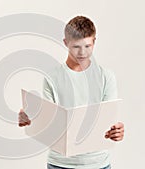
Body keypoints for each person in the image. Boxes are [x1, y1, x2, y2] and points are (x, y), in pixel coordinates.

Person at [18, 16, 124, 169]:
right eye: (76, 47)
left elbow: (108, 120)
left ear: (94, 41)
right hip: (60, 164)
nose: (82, 52)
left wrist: (117, 131)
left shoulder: (106, 77)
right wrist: (30, 120)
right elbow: (49, 124)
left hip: (98, 163)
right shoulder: (52, 77)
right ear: (66, 43)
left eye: (88, 46)